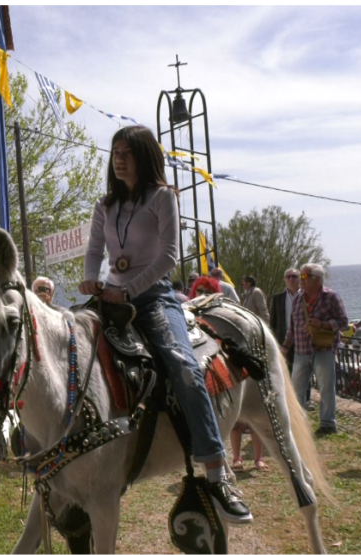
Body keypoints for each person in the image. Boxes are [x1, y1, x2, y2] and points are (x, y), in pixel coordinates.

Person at [80, 125, 252, 524]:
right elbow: (94, 252)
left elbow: (169, 257)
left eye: (127, 151)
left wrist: (129, 290)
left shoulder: (163, 197)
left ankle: (215, 470)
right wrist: (92, 278)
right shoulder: (104, 205)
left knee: (185, 368)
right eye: (115, 151)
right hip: (108, 298)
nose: (118, 158)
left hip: (153, 296)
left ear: (145, 155)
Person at [282, 263, 348, 435]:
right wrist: (285, 347)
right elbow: (293, 327)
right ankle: (297, 424)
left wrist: (323, 324)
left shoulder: (331, 297)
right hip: (301, 351)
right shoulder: (298, 298)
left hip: (323, 350)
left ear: (317, 279)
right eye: (300, 277)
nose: (300, 280)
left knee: (326, 388)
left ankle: (327, 424)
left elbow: (343, 323)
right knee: (297, 390)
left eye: (304, 277)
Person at [270, 267, 313, 407]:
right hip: (284, 340)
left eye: (294, 276)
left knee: (304, 370)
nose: (291, 279)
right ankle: (289, 399)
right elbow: (274, 321)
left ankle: (306, 399)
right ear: (284, 280)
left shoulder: (307, 296)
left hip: (303, 338)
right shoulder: (278, 298)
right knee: (287, 370)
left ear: (299, 278)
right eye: (288, 277)